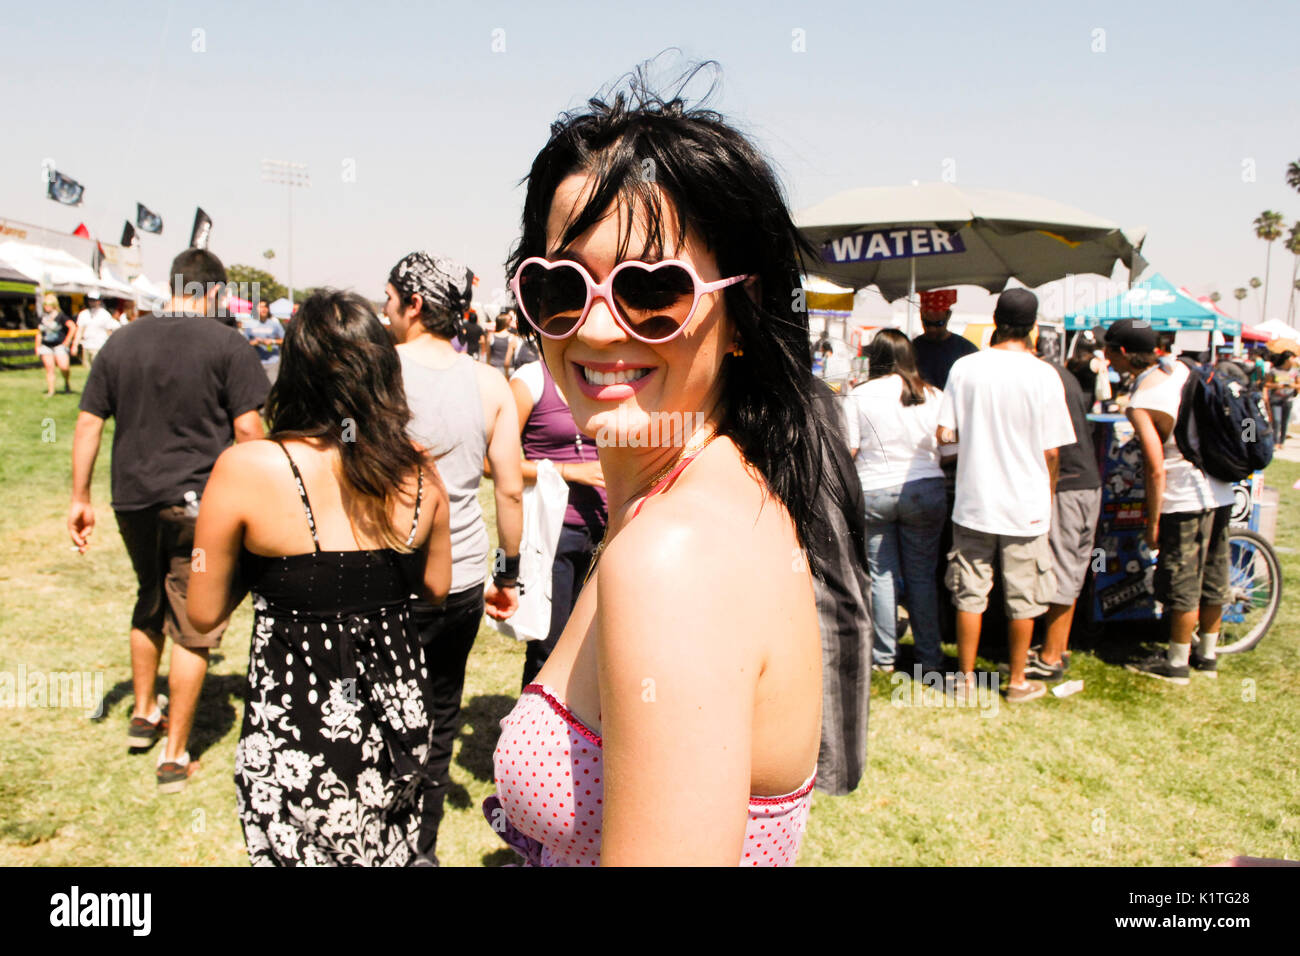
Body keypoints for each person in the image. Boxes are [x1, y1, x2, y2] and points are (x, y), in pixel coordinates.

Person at [483, 66, 840, 866]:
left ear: (743, 314)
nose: (601, 329)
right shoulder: (706, 497)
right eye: (559, 288)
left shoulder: (675, 554)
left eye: (652, 291)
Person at [187, 290, 452, 865]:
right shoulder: (419, 468)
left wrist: (249, 566)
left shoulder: (247, 466)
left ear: (295, 369)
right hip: (400, 715)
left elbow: (202, 613)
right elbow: (436, 587)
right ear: (384, 369)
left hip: (299, 724)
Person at [69, 248, 269, 791]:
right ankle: (175, 755)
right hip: (198, 506)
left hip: (131, 500)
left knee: (149, 598)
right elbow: (250, 431)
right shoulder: (229, 344)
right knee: (195, 622)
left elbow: (89, 423)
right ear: (208, 293)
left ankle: (142, 713)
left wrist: (79, 497)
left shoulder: (121, 340)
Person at [383, 250, 524, 862]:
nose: (384, 311)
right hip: (463, 575)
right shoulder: (490, 383)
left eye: (389, 300)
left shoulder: (375, 373)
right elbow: (510, 486)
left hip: (383, 571)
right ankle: (423, 849)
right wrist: (509, 570)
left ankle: (377, 839)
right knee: (441, 715)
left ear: (414, 304)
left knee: (375, 713)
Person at [936, 288, 1075, 703]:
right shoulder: (1044, 374)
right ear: (1033, 326)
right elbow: (1053, 451)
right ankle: (1016, 681)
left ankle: (963, 679)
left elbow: (945, 434)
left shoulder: (965, 368)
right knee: (1024, 597)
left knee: (969, 594)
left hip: (974, 501)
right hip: (1027, 506)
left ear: (995, 319)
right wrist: (1048, 494)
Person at [1104, 319, 1234, 683]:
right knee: (1214, 574)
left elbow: (1156, 467)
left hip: (1182, 496)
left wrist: (1153, 521)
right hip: (1220, 490)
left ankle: (1176, 662)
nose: (1108, 359)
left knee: (1181, 579)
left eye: (1110, 352)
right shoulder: (1184, 371)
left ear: (1125, 353)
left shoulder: (1144, 396)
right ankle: (1206, 656)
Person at [845, 328, 947, 676]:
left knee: (882, 575)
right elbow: (949, 449)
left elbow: (850, 450)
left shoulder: (859, 395)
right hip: (925, 488)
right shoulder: (933, 395)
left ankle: (884, 656)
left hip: (873, 489)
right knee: (922, 577)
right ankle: (928, 656)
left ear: (875, 357)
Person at [508, 358, 608, 687]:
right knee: (548, 647)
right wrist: (567, 471)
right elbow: (494, 463)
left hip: (606, 531)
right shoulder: (530, 380)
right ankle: (530, 732)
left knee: (592, 649)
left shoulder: (601, 375)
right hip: (554, 533)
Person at [1031, 337, 1102, 680]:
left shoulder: (1041, 377)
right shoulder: (1063, 375)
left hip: (1068, 484)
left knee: (1059, 569)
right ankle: (1057, 646)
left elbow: (1051, 451)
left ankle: (1050, 657)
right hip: (1087, 482)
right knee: (1071, 568)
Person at [912, 288, 977, 390]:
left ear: (948, 315)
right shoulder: (911, 349)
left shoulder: (966, 350)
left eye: (938, 323)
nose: (932, 329)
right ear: (920, 315)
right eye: (927, 323)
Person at [36, 292, 76, 395]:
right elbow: (39, 332)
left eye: (48, 305)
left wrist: (67, 341)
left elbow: (72, 327)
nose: (46, 307)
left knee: (64, 367)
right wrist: (37, 346)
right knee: (50, 368)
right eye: (45, 305)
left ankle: (67, 383)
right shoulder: (43, 317)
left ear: (54, 305)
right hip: (46, 345)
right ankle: (51, 391)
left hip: (59, 345)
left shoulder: (60, 316)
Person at [72, 292, 120, 370]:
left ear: (99, 301)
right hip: (86, 345)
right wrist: (75, 345)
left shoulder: (105, 315)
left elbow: (109, 331)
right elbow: (80, 330)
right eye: (90, 300)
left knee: (98, 369)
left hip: (100, 345)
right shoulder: (83, 314)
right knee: (88, 369)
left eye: (94, 300)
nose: (92, 302)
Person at [243, 298, 286, 383]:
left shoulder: (275, 324)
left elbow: (285, 341)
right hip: (256, 362)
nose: (263, 309)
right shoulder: (249, 325)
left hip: (272, 361)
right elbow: (243, 344)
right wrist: (254, 343)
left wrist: (273, 341)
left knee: (272, 386)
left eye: (265, 307)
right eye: (260, 306)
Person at [1265, 350, 1296, 446]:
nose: (1294, 360)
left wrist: (1291, 385)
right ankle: (1275, 441)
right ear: (1286, 360)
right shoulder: (1274, 370)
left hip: (1288, 399)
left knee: (1284, 421)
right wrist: (1277, 385)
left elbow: (1298, 385)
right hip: (1276, 399)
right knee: (1276, 420)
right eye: (1292, 358)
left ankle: (1281, 442)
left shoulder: (1295, 371)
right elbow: (1266, 384)